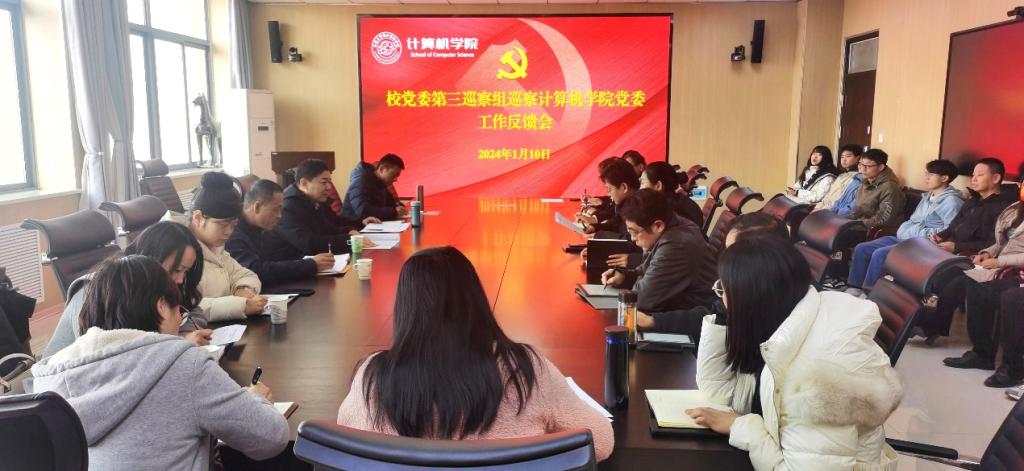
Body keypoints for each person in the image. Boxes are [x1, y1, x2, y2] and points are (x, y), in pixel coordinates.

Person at [336, 246, 614, 461]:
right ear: (474, 298)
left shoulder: (373, 377)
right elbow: (600, 442)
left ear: (405, 306)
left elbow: (346, 440)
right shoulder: (524, 370)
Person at [31, 256, 289, 470]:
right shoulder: (183, 363)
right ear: (161, 307)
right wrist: (257, 399)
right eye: (179, 309)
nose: (181, 319)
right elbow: (270, 438)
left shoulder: (50, 376)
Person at [688, 237, 901, 470]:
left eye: (724, 290)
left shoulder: (814, 380)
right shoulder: (786, 324)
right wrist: (723, 316)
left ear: (751, 301)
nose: (719, 296)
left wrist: (741, 427)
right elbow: (718, 390)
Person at [43, 221, 212, 358]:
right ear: (152, 257)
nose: (181, 279)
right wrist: (180, 341)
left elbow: (191, 309)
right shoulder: (97, 291)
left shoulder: (156, 285)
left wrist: (185, 333)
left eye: (186, 271)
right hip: (61, 381)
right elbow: (109, 354)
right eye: (176, 269)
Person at [635, 212, 788, 336]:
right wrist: (653, 321)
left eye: (734, 253)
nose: (727, 260)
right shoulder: (746, 288)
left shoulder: (779, 316)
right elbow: (715, 315)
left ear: (766, 258)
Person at [845, 159, 963, 296]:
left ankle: (870, 294)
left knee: (880, 254)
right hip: (906, 237)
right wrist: (906, 230)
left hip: (922, 245)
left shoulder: (952, 202)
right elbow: (913, 220)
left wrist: (914, 232)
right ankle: (854, 288)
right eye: (926, 174)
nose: (926, 178)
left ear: (944, 178)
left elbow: (948, 232)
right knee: (862, 248)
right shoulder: (928, 196)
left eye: (931, 175)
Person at [921, 188, 1024, 342]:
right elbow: (1001, 242)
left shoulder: (1001, 205)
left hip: (1011, 269)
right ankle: (930, 326)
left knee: (964, 283)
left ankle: (978, 347)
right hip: (995, 262)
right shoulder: (1014, 209)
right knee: (948, 274)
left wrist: (998, 262)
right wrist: (987, 253)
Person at [600, 189, 717, 313]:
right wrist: (625, 277)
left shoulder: (676, 245)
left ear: (658, 226)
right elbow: (648, 269)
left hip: (697, 316)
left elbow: (641, 299)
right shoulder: (673, 222)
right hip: (676, 306)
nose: (633, 239)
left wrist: (638, 281)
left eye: (635, 232)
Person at [171, 172, 266, 322]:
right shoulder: (177, 251)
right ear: (198, 218)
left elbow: (246, 275)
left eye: (233, 225)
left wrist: (243, 290)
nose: (229, 232)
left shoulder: (215, 246)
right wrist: (240, 306)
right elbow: (184, 306)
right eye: (223, 224)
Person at [226, 179, 335, 285]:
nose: (279, 216)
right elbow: (255, 271)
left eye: (280, 210)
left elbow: (276, 261)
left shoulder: (260, 227)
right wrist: (310, 265)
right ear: (257, 207)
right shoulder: (232, 233)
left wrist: (311, 261)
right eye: (275, 209)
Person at [265, 159, 379, 259]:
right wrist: (349, 239)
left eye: (329, 182)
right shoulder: (287, 207)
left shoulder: (315, 199)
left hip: (315, 261)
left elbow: (333, 224)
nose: (329, 187)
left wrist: (359, 223)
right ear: (304, 183)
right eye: (324, 182)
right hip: (292, 265)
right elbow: (309, 244)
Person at [931, 158, 1016, 254]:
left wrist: (956, 247)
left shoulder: (1005, 207)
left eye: (980, 175)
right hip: (949, 248)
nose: (974, 179)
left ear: (995, 178)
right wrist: (940, 236)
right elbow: (953, 226)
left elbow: (994, 244)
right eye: (973, 175)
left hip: (970, 255)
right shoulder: (972, 200)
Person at [341, 154, 408, 225]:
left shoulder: (381, 183)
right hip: (353, 226)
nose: (395, 179)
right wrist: (394, 211)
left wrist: (398, 206)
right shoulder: (360, 181)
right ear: (382, 169)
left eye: (397, 176)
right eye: (394, 175)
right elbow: (364, 211)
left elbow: (391, 203)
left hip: (372, 224)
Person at [849, 148, 906, 229]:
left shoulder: (890, 187)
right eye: (861, 164)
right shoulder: (865, 182)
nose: (863, 169)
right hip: (860, 224)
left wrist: (856, 224)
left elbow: (883, 220)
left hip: (875, 230)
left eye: (868, 166)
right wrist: (845, 220)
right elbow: (858, 210)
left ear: (881, 167)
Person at [584, 159, 641, 239]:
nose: (608, 193)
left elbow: (632, 240)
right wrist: (596, 227)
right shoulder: (626, 203)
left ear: (624, 187)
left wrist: (599, 236)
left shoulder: (640, 208)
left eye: (609, 189)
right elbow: (616, 224)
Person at [641, 161, 703, 228]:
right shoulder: (678, 200)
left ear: (658, 186)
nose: (640, 188)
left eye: (642, 183)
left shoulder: (666, 211)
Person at [816, 144, 864, 214]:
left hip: (833, 212)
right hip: (824, 209)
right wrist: (818, 207)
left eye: (848, 156)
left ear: (858, 158)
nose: (844, 159)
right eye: (842, 157)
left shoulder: (857, 178)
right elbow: (829, 195)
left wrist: (823, 210)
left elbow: (839, 199)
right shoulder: (841, 175)